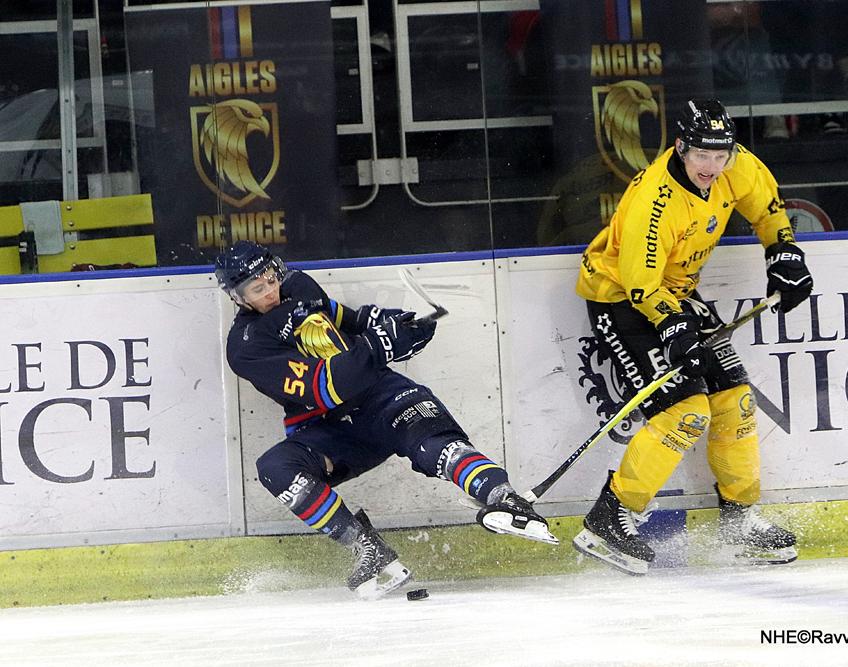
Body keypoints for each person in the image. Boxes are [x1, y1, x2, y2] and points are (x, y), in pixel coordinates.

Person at [215, 241, 557, 598]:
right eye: (258, 289)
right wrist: (380, 345)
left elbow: (347, 319)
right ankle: (367, 548)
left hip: (382, 395)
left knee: (434, 446)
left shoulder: (300, 286)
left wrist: (394, 325)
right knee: (276, 467)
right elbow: (324, 387)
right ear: (238, 297)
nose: (271, 290)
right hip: (330, 429)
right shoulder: (246, 347)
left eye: (271, 279)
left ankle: (504, 497)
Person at [573, 99, 813, 575]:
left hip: (678, 292)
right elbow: (640, 283)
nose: (712, 165)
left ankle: (739, 522)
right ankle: (609, 517)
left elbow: (766, 207)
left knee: (735, 401)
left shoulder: (735, 164)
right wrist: (673, 325)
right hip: (622, 297)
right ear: (681, 147)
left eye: (720, 154)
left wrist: (783, 252)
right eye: (702, 154)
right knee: (685, 410)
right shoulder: (654, 200)